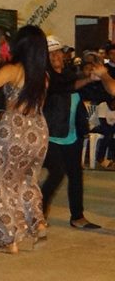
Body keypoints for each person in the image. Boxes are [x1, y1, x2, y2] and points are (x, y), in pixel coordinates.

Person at [0, 25, 49, 253]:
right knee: (27, 180)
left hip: (14, 130)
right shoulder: (43, 76)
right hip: (38, 130)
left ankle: (9, 239)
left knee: (0, 182)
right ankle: (38, 222)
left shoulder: (12, 71)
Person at [40, 36, 100, 230]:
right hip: (51, 135)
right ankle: (38, 214)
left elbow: (87, 92)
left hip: (72, 135)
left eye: (58, 52)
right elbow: (62, 88)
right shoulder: (45, 78)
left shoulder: (69, 74)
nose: (55, 56)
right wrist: (87, 78)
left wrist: (96, 76)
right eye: (51, 53)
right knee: (57, 173)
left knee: (76, 176)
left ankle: (77, 216)